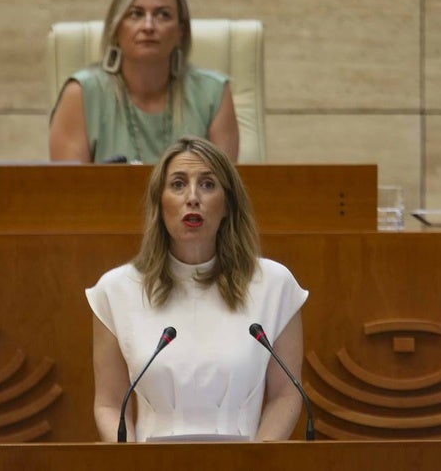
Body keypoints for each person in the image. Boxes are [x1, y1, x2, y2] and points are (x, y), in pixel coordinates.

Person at [86, 136, 308, 442]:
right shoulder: (116, 291)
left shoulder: (274, 285)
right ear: (159, 204)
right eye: (177, 184)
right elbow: (109, 404)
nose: (192, 197)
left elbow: (285, 395)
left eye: (207, 184)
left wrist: (257, 462)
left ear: (228, 203)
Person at [49, 0, 239, 164]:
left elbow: (223, 187)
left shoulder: (213, 94)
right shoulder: (81, 94)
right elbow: (69, 190)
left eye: (163, 15)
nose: (148, 26)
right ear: (116, 29)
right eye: (136, 14)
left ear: (180, 32)